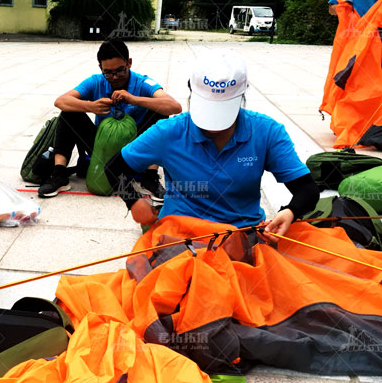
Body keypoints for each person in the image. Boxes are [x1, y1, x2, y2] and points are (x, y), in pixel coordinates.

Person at [105, 49, 319, 240]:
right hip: (181, 236)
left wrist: (290, 211)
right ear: (191, 93)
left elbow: (307, 189)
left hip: (242, 235)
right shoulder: (170, 132)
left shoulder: (266, 132)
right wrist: (133, 201)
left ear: (242, 96)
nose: (215, 128)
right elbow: (114, 168)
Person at [38, 39, 182, 199]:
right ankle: (59, 175)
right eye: (108, 72)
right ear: (101, 68)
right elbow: (60, 101)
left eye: (120, 70)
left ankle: (150, 176)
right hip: (102, 146)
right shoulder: (96, 81)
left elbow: (174, 106)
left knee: (160, 113)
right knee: (68, 113)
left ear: (129, 63)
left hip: (134, 148)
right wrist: (90, 106)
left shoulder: (143, 82)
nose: (114, 77)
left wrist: (134, 99)